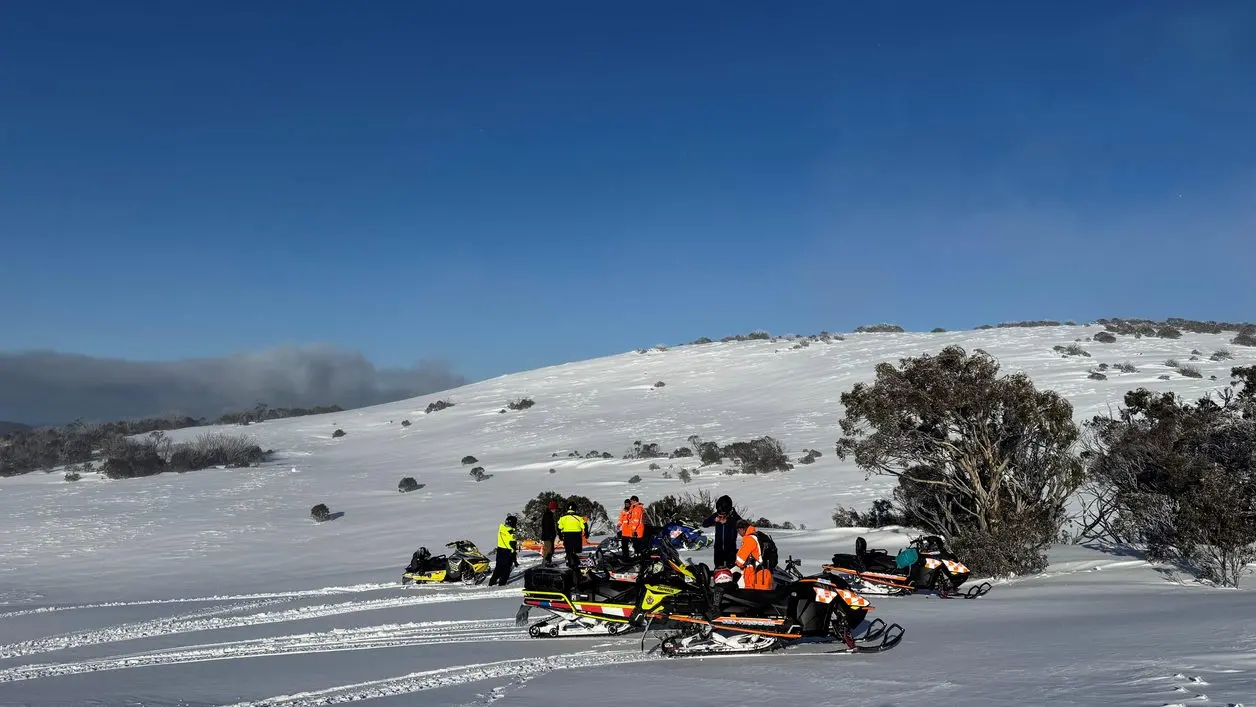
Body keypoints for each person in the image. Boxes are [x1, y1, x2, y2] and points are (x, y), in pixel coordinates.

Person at [702, 494, 740, 568]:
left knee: (731, 570)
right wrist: (713, 519)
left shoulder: (734, 516)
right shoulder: (717, 514)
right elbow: (704, 524)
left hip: (730, 549)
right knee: (718, 570)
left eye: (723, 513)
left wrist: (728, 521)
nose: (721, 515)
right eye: (719, 513)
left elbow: (742, 525)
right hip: (718, 549)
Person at [734, 519, 773, 590]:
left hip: (755, 574)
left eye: (738, 531)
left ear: (742, 529)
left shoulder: (749, 539)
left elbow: (740, 560)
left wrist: (737, 563)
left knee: (754, 597)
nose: (738, 533)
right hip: (764, 572)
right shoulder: (757, 536)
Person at [488, 514, 519, 586]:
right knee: (506, 569)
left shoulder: (501, 528)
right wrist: (513, 554)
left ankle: (492, 582)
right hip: (507, 552)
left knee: (498, 567)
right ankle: (502, 584)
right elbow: (512, 544)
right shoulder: (511, 532)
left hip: (500, 550)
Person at [557, 504, 586, 569]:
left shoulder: (562, 518)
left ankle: (569, 566)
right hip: (577, 536)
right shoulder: (579, 518)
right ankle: (578, 567)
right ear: (575, 509)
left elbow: (559, 527)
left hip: (567, 536)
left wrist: (560, 536)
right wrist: (586, 533)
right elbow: (584, 526)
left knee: (568, 552)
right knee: (577, 553)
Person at [540, 500, 558, 567]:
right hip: (548, 537)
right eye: (555, 508)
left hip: (549, 536)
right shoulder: (548, 515)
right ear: (552, 508)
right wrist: (550, 535)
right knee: (548, 551)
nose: (555, 510)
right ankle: (545, 564)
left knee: (550, 550)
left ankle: (548, 563)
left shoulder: (549, 514)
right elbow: (547, 527)